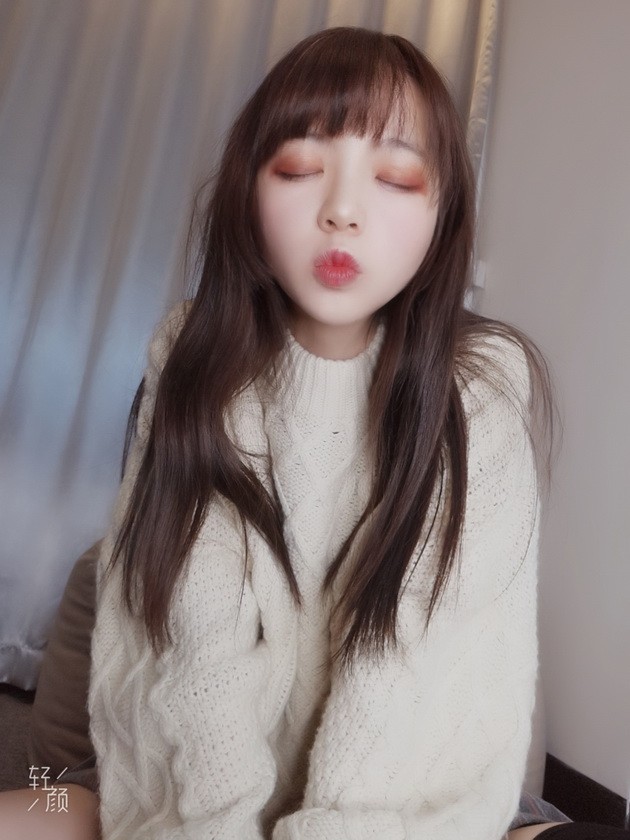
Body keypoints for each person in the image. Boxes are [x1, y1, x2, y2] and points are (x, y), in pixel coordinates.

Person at [1, 26, 628, 840]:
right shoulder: (194, 362)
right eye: (299, 168)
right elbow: (197, 672)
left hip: (426, 806)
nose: (342, 210)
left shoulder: (479, 391)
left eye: (395, 177)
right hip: (155, 783)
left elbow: (410, 691)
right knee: (36, 804)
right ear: (248, 194)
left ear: (443, 215)